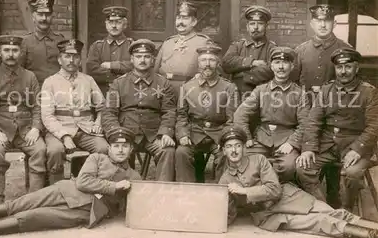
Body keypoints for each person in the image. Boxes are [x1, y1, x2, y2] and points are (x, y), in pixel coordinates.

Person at [0, 127, 142, 238]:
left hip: (87, 211)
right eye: (116, 146)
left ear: (131, 149)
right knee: (20, 204)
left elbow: (137, 204)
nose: (120, 150)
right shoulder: (97, 157)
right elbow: (83, 181)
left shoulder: (135, 176)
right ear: (110, 147)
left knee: (30, 218)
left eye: (125, 147)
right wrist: (114, 187)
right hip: (65, 191)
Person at [219, 126, 378, 238]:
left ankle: (374, 227)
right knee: (320, 222)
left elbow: (274, 190)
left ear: (244, 147)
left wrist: (244, 191)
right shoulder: (225, 180)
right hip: (269, 215)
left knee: (334, 212)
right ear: (223, 151)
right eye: (229, 147)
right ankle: (372, 237)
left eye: (237, 145)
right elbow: (228, 213)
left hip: (287, 198)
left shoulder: (259, 160)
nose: (234, 150)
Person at [296, 48, 378, 210]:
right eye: (339, 67)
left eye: (348, 67)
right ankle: (324, 208)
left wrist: (357, 150)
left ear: (356, 68)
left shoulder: (369, 92)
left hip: (355, 145)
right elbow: (313, 121)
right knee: (303, 168)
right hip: (327, 145)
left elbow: (374, 126)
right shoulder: (326, 90)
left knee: (353, 174)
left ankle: (346, 209)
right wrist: (308, 149)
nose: (343, 71)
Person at [291, 4, 353, 208]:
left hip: (335, 113)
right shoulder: (301, 50)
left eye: (327, 21)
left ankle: (333, 196)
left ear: (334, 23)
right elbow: (294, 84)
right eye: (319, 21)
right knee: (308, 153)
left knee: (331, 153)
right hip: (308, 111)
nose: (323, 25)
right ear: (312, 24)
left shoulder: (345, 49)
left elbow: (351, 85)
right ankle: (314, 201)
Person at [0, 35, 46, 205]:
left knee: (40, 150)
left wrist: (36, 128)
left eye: (15, 50)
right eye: (6, 50)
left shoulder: (30, 76)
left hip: (25, 129)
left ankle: (33, 200)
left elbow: (37, 105)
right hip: (0, 128)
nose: (11, 54)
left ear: (20, 52)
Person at [102, 39, 177, 181]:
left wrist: (165, 132)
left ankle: (163, 193)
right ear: (132, 59)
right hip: (126, 131)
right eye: (138, 56)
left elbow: (169, 111)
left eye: (147, 56)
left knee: (167, 151)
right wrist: (117, 133)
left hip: (154, 134)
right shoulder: (119, 83)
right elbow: (109, 112)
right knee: (119, 152)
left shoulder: (164, 83)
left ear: (153, 60)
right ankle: (122, 192)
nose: (142, 60)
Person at [234, 47, 309, 182]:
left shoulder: (300, 94)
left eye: (285, 63)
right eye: (277, 63)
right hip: (262, 138)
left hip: (286, 139)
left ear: (292, 66)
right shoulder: (261, 90)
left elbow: (305, 124)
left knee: (288, 166)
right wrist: (247, 137)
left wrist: (292, 143)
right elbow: (240, 114)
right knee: (241, 159)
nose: (281, 67)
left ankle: (283, 194)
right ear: (271, 66)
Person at [41, 39, 109, 184]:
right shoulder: (50, 82)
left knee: (103, 148)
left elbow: (102, 106)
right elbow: (47, 116)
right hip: (59, 129)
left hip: (86, 128)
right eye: (67, 56)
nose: (71, 60)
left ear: (80, 59)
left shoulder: (88, 80)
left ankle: (92, 185)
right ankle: (56, 187)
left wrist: (98, 122)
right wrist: (65, 136)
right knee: (55, 151)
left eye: (76, 56)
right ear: (59, 60)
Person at [175, 43, 239, 182]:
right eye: (204, 60)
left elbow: (232, 119)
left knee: (225, 153)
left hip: (218, 133)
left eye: (211, 60)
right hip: (194, 132)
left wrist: (225, 138)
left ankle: (220, 192)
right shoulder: (187, 87)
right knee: (182, 152)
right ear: (198, 63)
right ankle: (187, 191)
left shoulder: (229, 87)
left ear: (218, 63)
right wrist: (183, 134)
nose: (207, 64)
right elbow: (181, 115)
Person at [154, 1, 213, 95]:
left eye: (185, 18)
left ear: (194, 22)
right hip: (164, 89)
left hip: (190, 90)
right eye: (178, 18)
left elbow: (211, 71)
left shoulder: (203, 42)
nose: (180, 22)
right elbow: (155, 70)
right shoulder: (167, 42)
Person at [222, 5, 276, 99]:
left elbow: (271, 71)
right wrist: (252, 62)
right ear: (247, 27)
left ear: (266, 26)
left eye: (260, 23)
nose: (255, 27)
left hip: (263, 97)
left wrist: (240, 74)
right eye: (252, 24)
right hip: (237, 96)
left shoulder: (272, 48)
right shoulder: (238, 45)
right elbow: (226, 63)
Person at [86, 6, 134, 94]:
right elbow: (92, 70)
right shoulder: (97, 46)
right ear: (106, 24)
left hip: (127, 92)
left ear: (125, 25)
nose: (114, 26)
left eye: (118, 22)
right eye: (110, 22)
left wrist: (112, 65)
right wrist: (120, 74)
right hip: (102, 92)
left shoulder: (132, 45)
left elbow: (135, 67)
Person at [20, 0, 66, 86]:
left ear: (52, 16)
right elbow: (20, 72)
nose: (44, 18)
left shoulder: (61, 41)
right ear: (33, 17)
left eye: (47, 14)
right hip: (34, 93)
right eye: (40, 14)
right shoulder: (25, 42)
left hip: (58, 91)